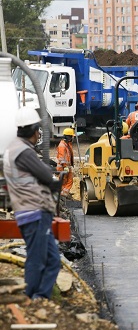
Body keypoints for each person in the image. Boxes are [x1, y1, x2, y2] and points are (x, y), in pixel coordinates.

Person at [4, 106, 62, 299]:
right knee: (37, 260)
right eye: (37, 129)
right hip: (34, 212)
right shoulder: (23, 152)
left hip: (31, 211)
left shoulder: (15, 148)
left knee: (53, 261)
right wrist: (55, 183)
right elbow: (46, 175)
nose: (39, 134)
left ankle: (41, 298)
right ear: (31, 130)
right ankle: (31, 298)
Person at [56, 128, 75, 198]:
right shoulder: (62, 145)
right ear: (68, 136)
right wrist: (65, 166)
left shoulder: (67, 144)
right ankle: (63, 195)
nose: (73, 138)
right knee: (64, 182)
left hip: (67, 167)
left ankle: (64, 194)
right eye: (72, 136)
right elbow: (61, 158)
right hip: (63, 167)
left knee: (69, 180)